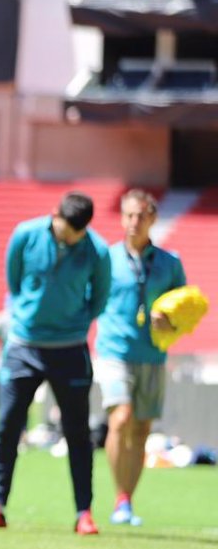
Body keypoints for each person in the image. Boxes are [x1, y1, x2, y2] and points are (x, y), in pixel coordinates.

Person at [0, 191, 111, 535]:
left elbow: (99, 299)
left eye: (77, 234)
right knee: (8, 426)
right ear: (55, 214)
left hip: (70, 349)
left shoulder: (97, 251)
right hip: (24, 346)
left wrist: (74, 323)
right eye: (66, 230)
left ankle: (84, 512)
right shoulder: (24, 234)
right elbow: (14, 280)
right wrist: (28, 317)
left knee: (78, 433)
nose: (71, 237)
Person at [95, 190, 185, 527]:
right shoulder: (106, 259)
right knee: (121, 418)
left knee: (142, 428)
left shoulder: (169, 263)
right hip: (114, 350)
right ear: (122, 218)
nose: (134, 222)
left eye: (141, 216)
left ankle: (125, 501)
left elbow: (186, 307)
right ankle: (119, 495)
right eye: (129, 215)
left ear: (152, 220)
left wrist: (170, 320)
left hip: (153, 353)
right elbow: (91, 300)